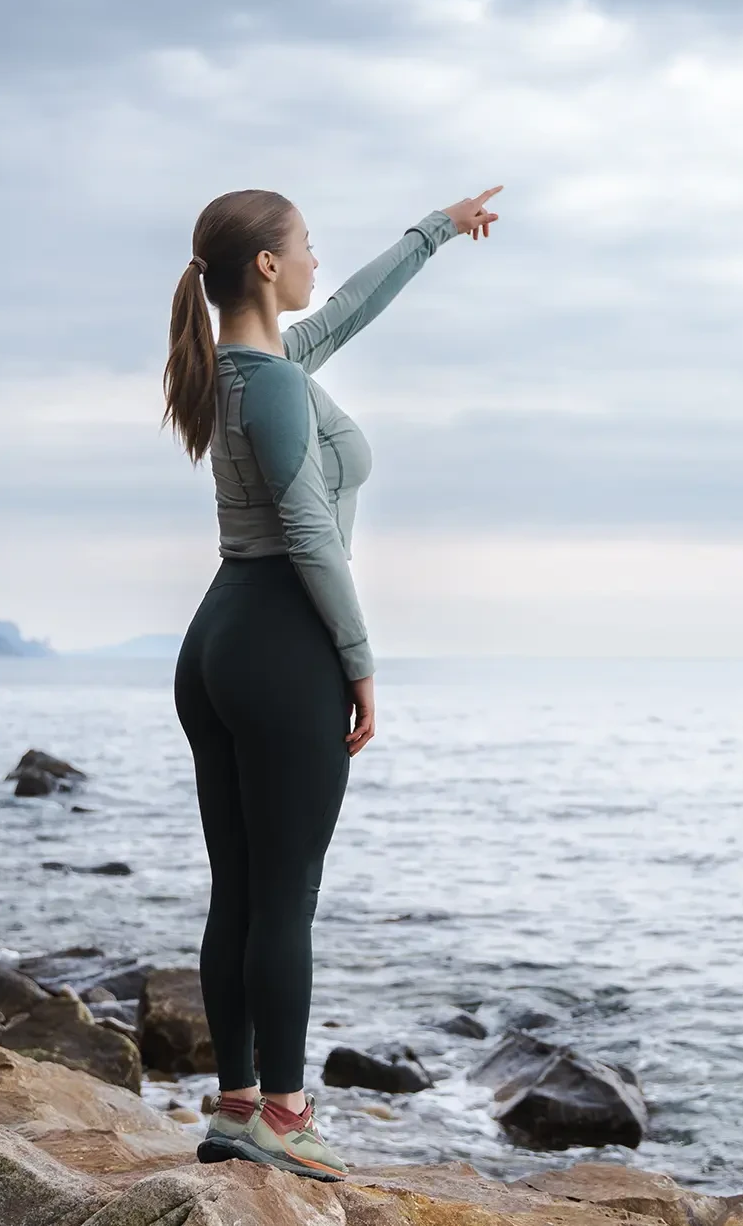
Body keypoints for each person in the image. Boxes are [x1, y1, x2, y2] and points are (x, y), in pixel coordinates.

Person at [166, 185, 501, 1180]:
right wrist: (358, 663)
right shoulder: (269, 384)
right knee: (286, 896)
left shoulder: (256, 368)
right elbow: (311, 532)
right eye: (305, 246)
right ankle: (284, 1113)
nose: (317, 260)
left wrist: (434, 231)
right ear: (266, 266)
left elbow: (349, 306)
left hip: (218, 636)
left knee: (241, 889)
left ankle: (235, 1107)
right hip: (278, 642)